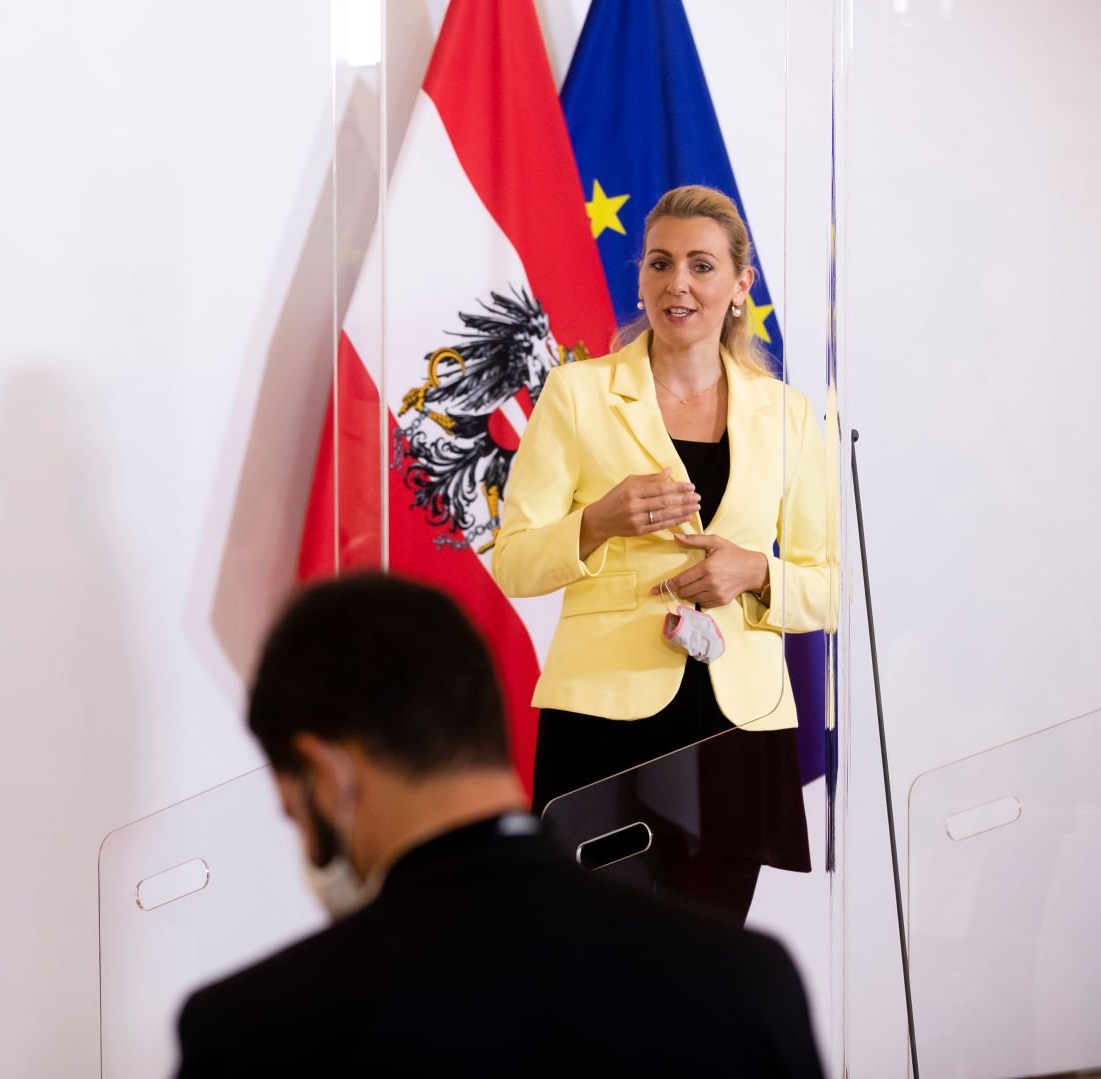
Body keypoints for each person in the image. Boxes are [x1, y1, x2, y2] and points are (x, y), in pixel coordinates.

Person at [174, 574, 824, 1078]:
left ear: (325, 774)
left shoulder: (254, 1033)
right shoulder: (747, 980)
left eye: (296, 815)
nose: (310, 852)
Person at [490, 185, 835, 922]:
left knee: (704, 973)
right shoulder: (576, 394)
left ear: (741, 285)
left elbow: (836, 585)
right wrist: (596, 521)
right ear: (642, 278)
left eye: (702, 266)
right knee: (593, 968)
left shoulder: (788, 414)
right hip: (603, 722)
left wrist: (759, 572)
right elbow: (514, 561)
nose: (678, 283)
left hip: (738, 725)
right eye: (660, 262)